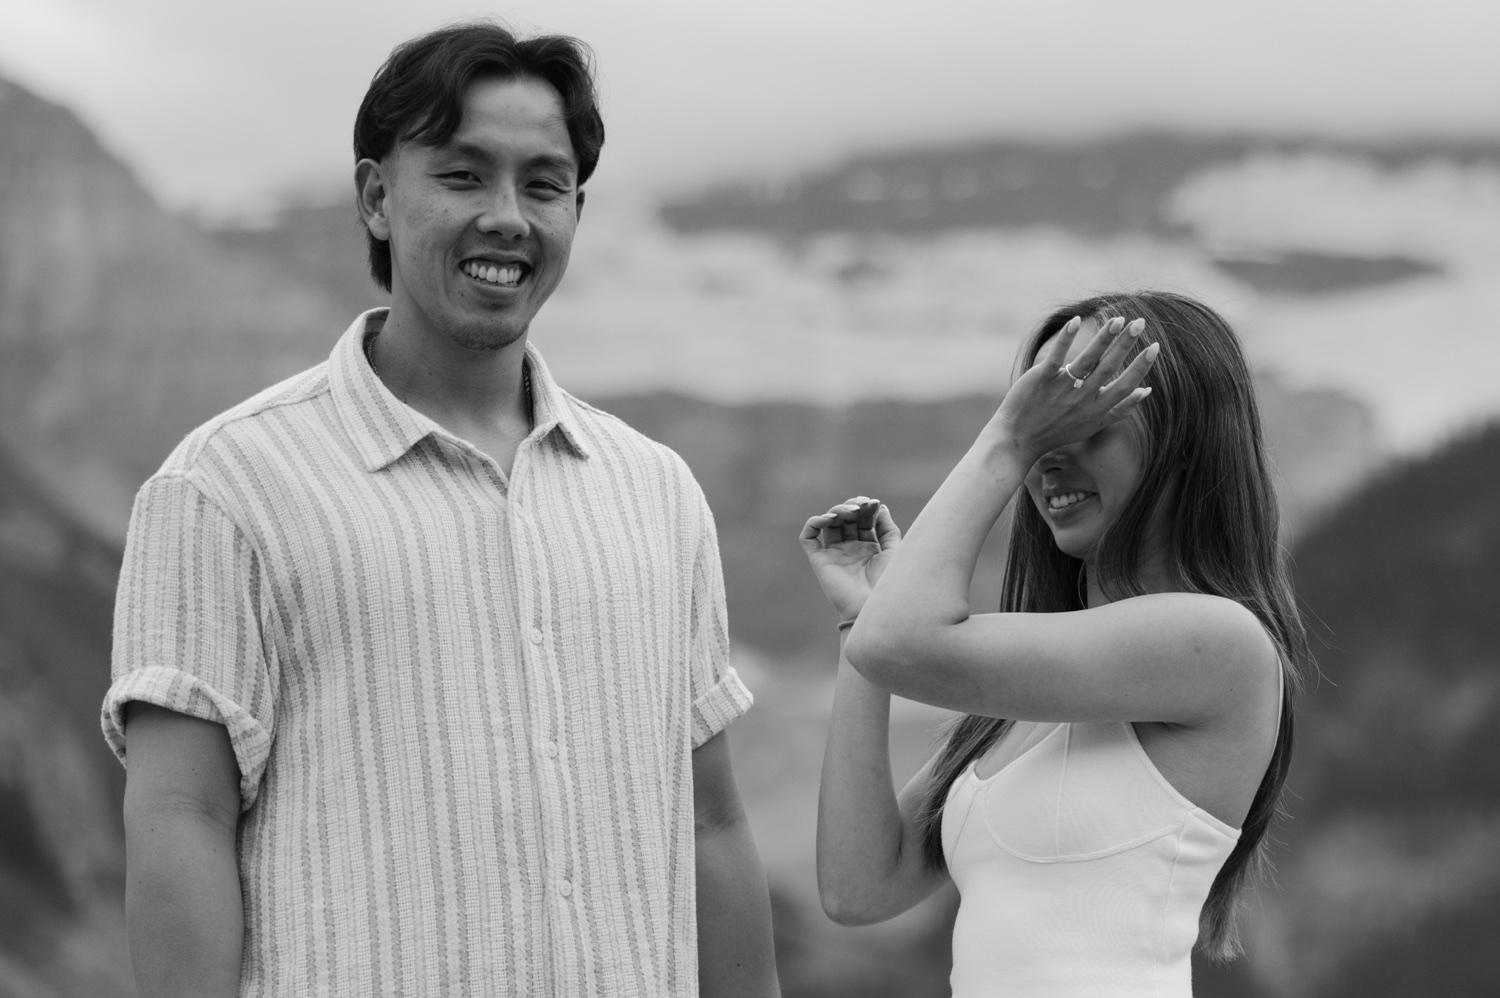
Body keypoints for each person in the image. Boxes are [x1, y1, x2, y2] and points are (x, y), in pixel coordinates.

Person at [102, 21, 779, 998]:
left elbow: (711, 823)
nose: (507, 216)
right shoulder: (222, 487)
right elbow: (180, 820)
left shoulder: (658, 492)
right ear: (377, 196)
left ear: (576, 211)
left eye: (543, 185)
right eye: (463, 177)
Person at [800, 291, 1307, 996]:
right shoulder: (1022, 707)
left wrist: (1007, 440)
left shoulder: (1216, 641)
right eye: (1043, 420)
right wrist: (863, 620)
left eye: (1088, 419)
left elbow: (901, 643)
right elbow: (860, 886)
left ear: (1185, 438)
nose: (1048, 457)